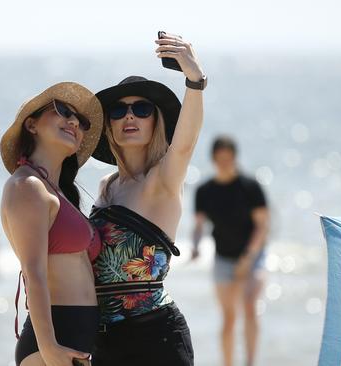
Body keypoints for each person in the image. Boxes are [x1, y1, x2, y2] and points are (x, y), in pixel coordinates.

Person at [89, 32, 207, 366]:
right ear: (109, 125)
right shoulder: (105, 185)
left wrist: (195, 80)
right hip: (104, 342)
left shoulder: (163, 179)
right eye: (118, 111)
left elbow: (185, 143)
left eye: (141, 109)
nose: (129, 117)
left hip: (156, 338)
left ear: (156, 121)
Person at [0, 82, 104, 366]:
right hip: (54, 342)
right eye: (62, 111)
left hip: (74, 338)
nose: (73, 122)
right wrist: (49, 348)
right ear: (31, 125)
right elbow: (35, 272)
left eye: (81, 121)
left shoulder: (55, 192)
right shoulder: (26, 186)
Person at [192, 136, 270, 366]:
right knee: (228, 318)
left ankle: (250, 362)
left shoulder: (250, 187)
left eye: (228, 158)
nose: (224, 162)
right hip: (223, 258)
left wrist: (248, 257)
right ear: (214, 159)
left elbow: (263, 226)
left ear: (235, 158)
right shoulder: (204, 190)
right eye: (220, 158)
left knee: (249, 306)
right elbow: (198, 225)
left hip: (253, 256)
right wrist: (195, 246)